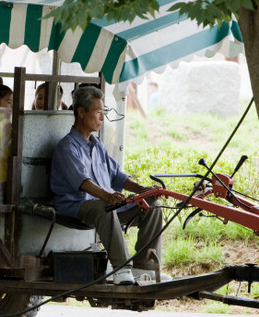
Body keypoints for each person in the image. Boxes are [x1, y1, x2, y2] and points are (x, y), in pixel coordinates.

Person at [50, 86, 169, 285]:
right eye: (98, 113)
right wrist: (107, 196)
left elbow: (117, 176)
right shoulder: (67, 147)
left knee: (153, 207)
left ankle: (143, 266)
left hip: (106, 207)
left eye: (103, 113)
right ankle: (122, 269)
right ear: (81, 112)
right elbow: (83, 182)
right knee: (103, 207)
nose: (102, 118)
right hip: (76, 207)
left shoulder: (98, 145)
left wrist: (143, 191)